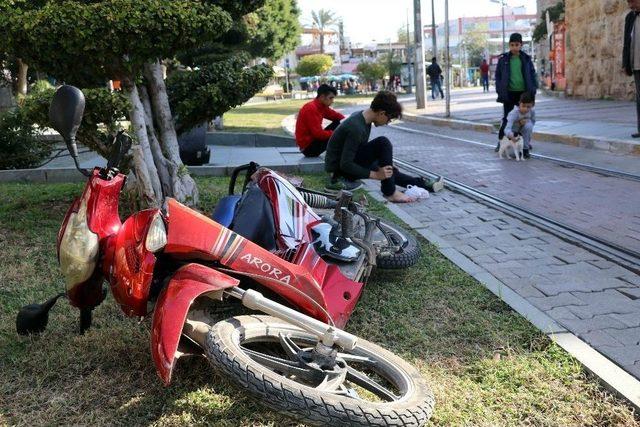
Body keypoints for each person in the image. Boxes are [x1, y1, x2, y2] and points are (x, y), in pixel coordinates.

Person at [324, 91, 444, 202]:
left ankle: (423, 184)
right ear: (382, 113)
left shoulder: (363, 118)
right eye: (389, 119)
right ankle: (390, 192)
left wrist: (383, 165)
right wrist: (375, 175)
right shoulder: (356, 127)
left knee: (388, 170)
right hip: (339, 173)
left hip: (345, 165)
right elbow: (346, 164)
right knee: (383, 142)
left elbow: (359, 150)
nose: (387, 123)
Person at [494, 33, 538, 155]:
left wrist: (532, 90)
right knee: (506, 118)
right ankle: (501, 142)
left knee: (525, 118)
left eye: (517, 45)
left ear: (521, 45)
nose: (514, 47)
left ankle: (525, 145)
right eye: (512, 45)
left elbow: (532, 75)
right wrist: (499, 90)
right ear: (509, 45)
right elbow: (498, 76)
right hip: (509, 94)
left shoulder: (526, 59)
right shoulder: (503, 60)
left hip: (523, 94)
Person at [295, 84, 345, 157]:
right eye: (330, 98)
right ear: (322, 97)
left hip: (312, 142)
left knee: (340, 123)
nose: (332, 101)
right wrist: (336, 133)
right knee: (341, 131)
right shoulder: (311, 108)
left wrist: (350, 122)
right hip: (308, 148)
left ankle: (344, 152)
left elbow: (337, 117)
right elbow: (318, 134)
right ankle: (345, 154)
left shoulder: (321, 106)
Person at [623, 0, 640, 138]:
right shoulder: (630, 17)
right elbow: (626, 43)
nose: (631, 5)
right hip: (636, 64)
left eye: (633, 2)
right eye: (629, 2)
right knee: (639, 99)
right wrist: (625, 63)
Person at [504, 92, 536, 159]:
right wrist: (511, 135)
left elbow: (533, 122)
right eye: (523, 106)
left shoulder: (532, 111)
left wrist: (526, 131)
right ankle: (509, 146)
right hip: (513, 131)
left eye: (528, 107)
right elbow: (507, 129)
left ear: (532, 105)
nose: (525, 109)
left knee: (529, 126)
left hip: (523, 130)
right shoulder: (514, 113)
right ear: (519, 103)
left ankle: (525, 150)